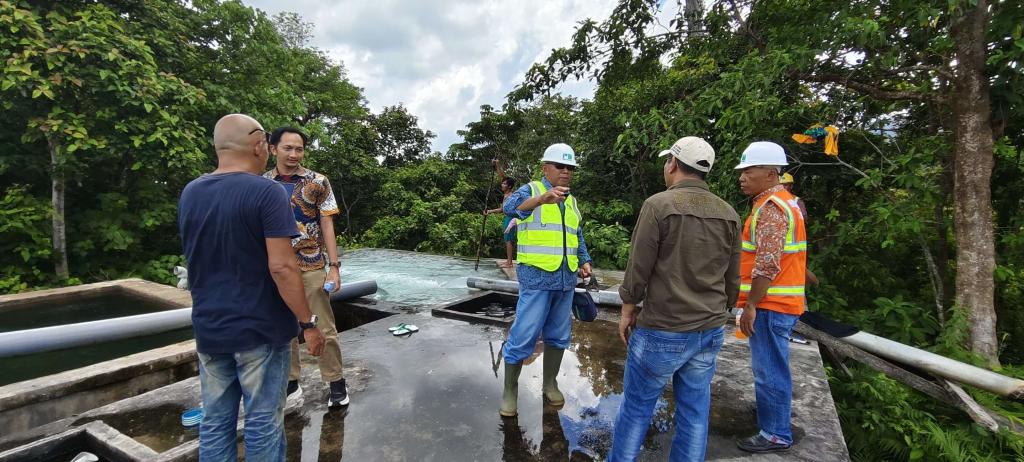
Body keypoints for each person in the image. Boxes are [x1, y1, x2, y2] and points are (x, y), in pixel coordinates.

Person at [178, 114, 325, 461]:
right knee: (263, 421)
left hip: (211, 329)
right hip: (260, 329)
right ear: (261, 146)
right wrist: (308, 323)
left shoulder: (191, 192)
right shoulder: (267, 192)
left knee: (215, 421)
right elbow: (282, 267)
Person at [610, 137, 741, 462]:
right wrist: (719, 312)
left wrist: (628, 309)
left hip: (663, 330)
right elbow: (733, 280)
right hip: (709, 331)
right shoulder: (729, 213)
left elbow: (638, 267)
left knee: (637, 410)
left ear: (672, 164)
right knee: (695, 415)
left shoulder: (658, 205)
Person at [499, 143, 594, 417]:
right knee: (524, 334)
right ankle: (510, 390)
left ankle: (550, 383)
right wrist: (542, 199)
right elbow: (509, 208)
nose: (565, 172)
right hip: (537, 278)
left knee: (559, 335)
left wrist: (584, 260)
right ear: (545, 168)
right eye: (559, 166)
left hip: (565, 280)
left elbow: (577, 235)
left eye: (570, 168)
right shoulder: (531, 190)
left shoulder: (572, 202)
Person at [263, 127, 349, 408]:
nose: (293, 154)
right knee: (281, 325)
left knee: (323, 323)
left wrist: (334, 267)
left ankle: (335, 381)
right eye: (287, 148)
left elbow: (327, 223)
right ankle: (290, 383)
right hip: (276, 265)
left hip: (311, 262)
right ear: (273, 148)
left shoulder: (318, 181)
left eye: (298, 149)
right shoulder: (262, 184)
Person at [733, 141, 809, 453]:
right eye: (742, 171)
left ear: (770, 173)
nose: (742, 176)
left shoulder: (772, 209)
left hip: (770, 304)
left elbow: (767, 263)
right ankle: (771, 414)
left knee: (769, 370)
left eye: (749, 170)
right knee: (770, 367)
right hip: (778, 302)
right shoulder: (786, 202)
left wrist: (751, 305)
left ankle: (775, 432)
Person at [485, 160, 518, 268]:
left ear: (509, 186)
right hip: (507, 218)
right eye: (502, 183)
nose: (502, 184)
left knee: (509, 240)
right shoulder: (506, 194)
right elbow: (501, 209)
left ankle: (509, 262)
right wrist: (490, 211)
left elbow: (503, 209)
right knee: (507, 240)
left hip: (510, 219)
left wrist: (498, 164)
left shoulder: (510, 196)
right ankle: (509, 261)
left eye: (504, 184)